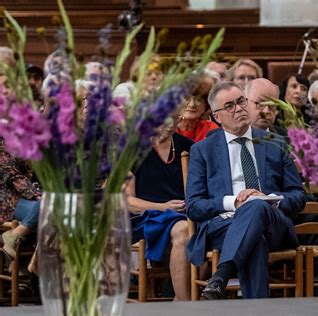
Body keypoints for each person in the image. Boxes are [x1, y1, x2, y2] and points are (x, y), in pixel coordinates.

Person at [186, 81, 306, 299]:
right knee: (254, 238)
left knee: (257, 207)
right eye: (229, 106)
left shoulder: (276, 143)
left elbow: (298, 197)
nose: (239, 108)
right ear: (216, 116)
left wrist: (268, 199)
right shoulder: (202, 151)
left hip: (273, 224)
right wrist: (233, 202)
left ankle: (222, 274)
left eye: (241, 101)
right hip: (224, 225)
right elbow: (194, 207)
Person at [125, 111, 193, 300]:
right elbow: (128, 200)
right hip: (146, 217)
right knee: (185, 230)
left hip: (184, 213)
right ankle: (186, 307)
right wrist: (163, 207)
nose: (172, 123)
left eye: (177, 117)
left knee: (203, 233)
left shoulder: (188, 147)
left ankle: (178, 300)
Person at [0, 139, 41, 261]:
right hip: (6, 202)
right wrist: (36, 195)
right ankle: (14, 236)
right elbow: (12, 176)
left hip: (21, 197)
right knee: (48, 207)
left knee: (52, 210)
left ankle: (34, 271)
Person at [176, 73, 219, 142]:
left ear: (206, 105)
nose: (192, 105)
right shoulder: (165, 129)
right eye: (186, 98)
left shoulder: (211, 129)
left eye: (198, 99)